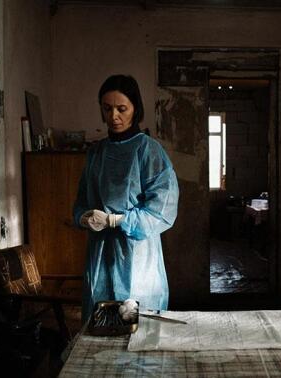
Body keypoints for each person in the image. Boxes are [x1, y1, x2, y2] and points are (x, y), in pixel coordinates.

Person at [73, 74, 179, 322]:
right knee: (101, 324)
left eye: (122, 109)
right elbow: (80, 203)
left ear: (135, 109)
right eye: (107, 109)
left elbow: (161, 211)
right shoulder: (96, 153)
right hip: (100, 254)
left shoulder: (148, 150)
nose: (114, 116)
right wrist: (84, 217)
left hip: (137, 255)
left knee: (137, 326)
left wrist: (115, 220)